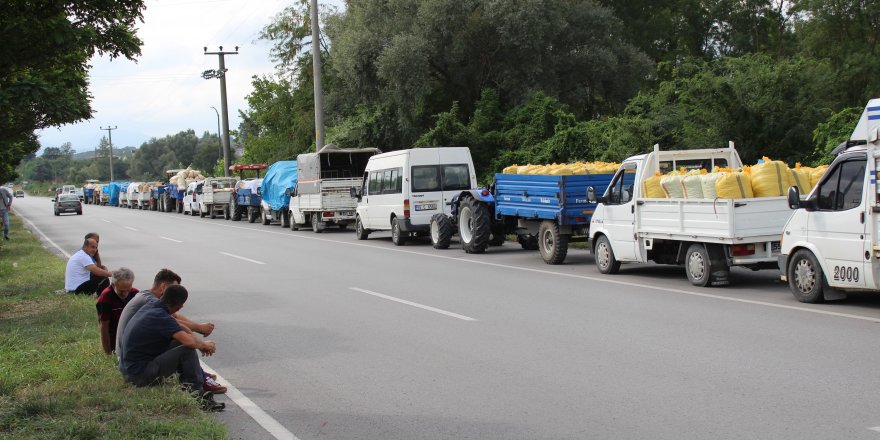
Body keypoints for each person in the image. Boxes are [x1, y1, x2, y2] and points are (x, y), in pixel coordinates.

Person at [116, 268, 226, 394]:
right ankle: (198, 393)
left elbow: (180, 327)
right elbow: (189, 342)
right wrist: (204, 344)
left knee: (180, 342)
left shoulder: (153, 305)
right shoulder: (160, 315)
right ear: (180, 307)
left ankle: (195, 381)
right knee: (187, 349)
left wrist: (201, 344)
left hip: (129, 369)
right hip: (138, 376)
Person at [96, 267, 139, 355]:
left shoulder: (135, 294)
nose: (125, 294)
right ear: (113, 284)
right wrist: (108, 353)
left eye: (128, 290)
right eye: (121, 291)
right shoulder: (106, 297)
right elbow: (104, 326)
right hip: (114, 340)